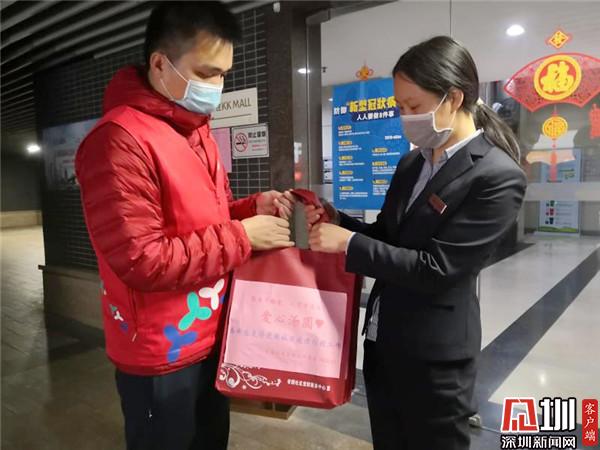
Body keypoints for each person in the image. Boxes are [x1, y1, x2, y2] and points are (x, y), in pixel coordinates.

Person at [75, 2, 295, 449]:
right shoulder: (118, 140)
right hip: (160, 351)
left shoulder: (194, 130)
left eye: (224, 75)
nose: (217, 87)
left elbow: (207, 216)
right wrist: (242, 236)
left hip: (211, 335)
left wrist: (251, 208)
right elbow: (142, 259)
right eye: (207, 73)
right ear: (160, 63)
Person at [307, 36, 526, 450]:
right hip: (384, 341)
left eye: (414, 106)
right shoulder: (412, 162)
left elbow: (438, 269)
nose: (406, 118)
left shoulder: (497, 176)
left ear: (453, 98)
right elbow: (389, 237)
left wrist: (348, 244)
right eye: (400, 107)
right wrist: (339, 221)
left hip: (435, 358)